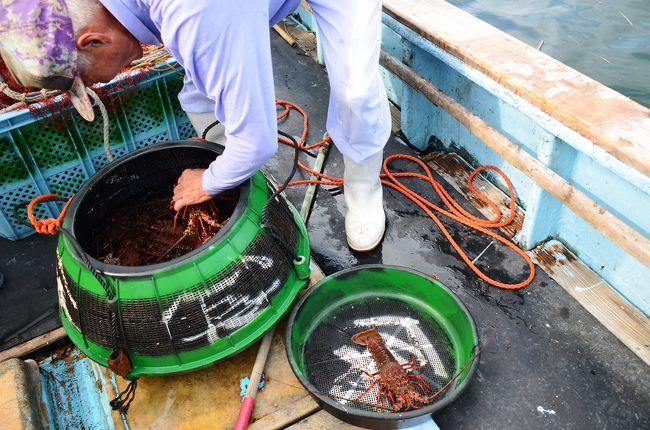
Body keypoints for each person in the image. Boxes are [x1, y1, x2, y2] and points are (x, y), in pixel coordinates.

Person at [0, 0, 391, 252]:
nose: (102, 83)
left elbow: (257, 143)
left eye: (94, 78)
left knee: (355, 91)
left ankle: (362, 187)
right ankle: (232, 173)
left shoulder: (197, 13)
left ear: (93, 41)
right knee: (204, 82)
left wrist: (206, 182)